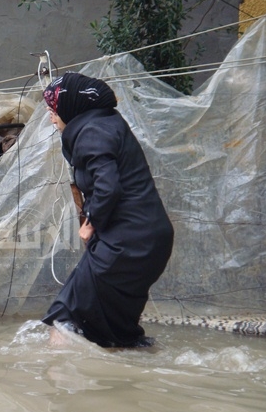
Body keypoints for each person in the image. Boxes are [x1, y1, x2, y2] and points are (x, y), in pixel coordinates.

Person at [42, 72, 174, 348]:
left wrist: (89, 223)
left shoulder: (92, 132)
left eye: (53, 109)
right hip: (146, 241)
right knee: (115, 334)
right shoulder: (106, 124)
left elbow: (108, 188)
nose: (50, 115)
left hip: (126, 243)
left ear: (71, 107)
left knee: (66, 320)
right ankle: (135, 384)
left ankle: (58, 388)